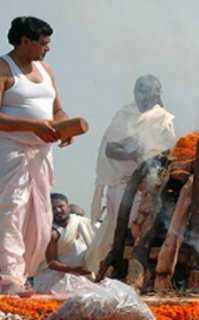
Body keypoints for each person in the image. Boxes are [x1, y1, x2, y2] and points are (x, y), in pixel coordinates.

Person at [0, 16, 73, 294]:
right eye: (43, 43)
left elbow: (57, 111)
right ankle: (8, 279)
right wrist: (31, 126)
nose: (47, 48)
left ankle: (23, 275)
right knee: (11, 212)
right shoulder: (4, 69)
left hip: (42, 154)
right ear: (24, 41)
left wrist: (65, 128)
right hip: (11, 151)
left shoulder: (46, 71)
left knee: (40, 220)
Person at [87, 74, 176, 274]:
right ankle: (115, 273)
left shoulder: (163, 118)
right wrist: (132, 154)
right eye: (144, 92)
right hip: (123, 185)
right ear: (136, 92)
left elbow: (168, 152)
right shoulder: (124, 115)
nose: (149, 97)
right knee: (121, 235)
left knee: (146, 233)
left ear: (158, 94)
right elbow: (111, 149)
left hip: (152, 187)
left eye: (154, 93)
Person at [33, 193, 96, 293]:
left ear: (68, 207)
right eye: (53, 208)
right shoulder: (52, 233)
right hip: (53, 282)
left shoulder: (83, 225)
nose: (57, 211)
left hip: (77, 281)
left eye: (60, 206)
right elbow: (52, 263)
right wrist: (73, 269)